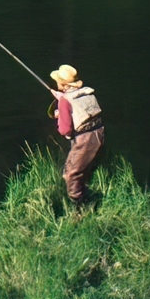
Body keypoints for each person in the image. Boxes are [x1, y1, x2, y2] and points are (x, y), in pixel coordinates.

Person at [50, 63, 104, 209]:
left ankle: (80, 207)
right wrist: (62, 99)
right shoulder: (87, 93)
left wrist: (60, 113)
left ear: (63, 84)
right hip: (98, 134)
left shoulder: (65, 101)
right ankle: (87, 196)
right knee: (84, 170)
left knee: (71, 175)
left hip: (84, 139)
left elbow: (65, 130)